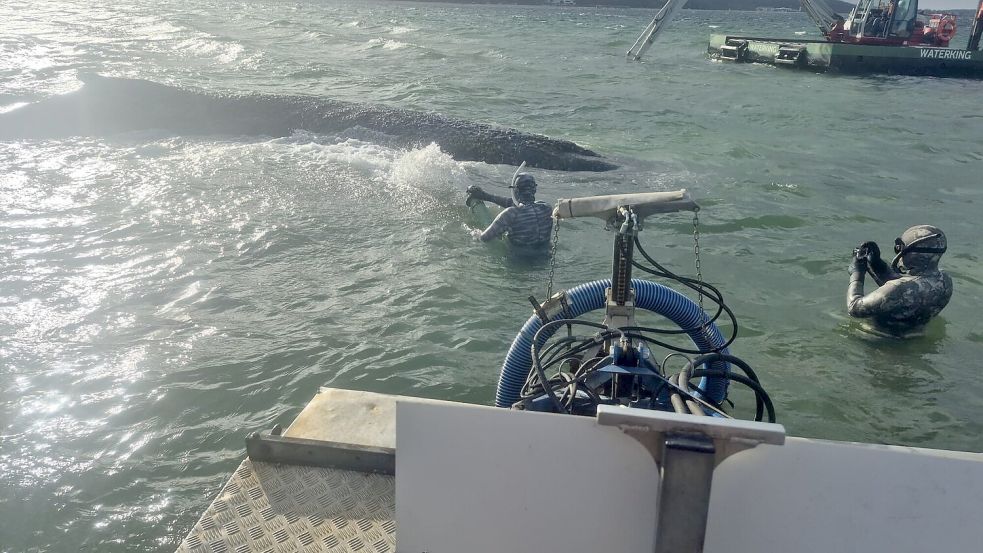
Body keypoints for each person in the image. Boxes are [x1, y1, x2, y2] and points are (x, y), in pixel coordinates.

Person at [847, 224, 953, 334]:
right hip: (913, 340)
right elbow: (906, 291)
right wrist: (877, 264)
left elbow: (854, 308)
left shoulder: (898, 288)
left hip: (878, 343)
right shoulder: (945, 280)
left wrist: (856, 274)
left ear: (912, 254)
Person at [466, 172, 553, 250]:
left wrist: (475, 233)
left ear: (516, 191)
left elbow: (484, 238)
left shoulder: (510, 214)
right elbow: (519, 204)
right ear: (534, 189)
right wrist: (485, 196)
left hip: (518, 263)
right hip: (544, 260)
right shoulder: (547, 208)